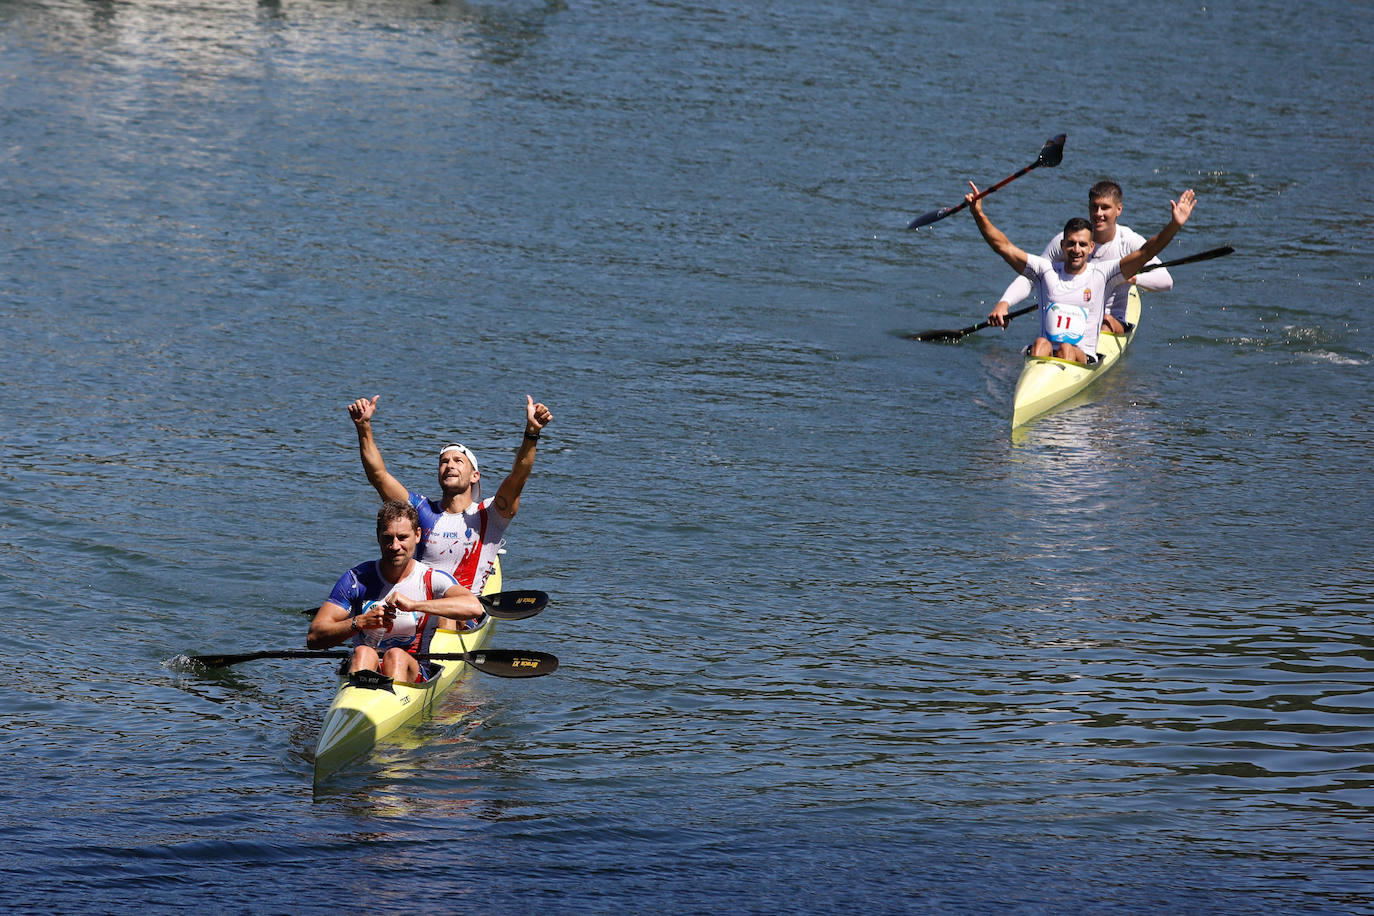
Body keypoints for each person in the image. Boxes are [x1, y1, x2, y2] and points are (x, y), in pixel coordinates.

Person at [347, 393, 553, 596]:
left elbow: (518, 477)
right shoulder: (419, 510)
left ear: (475, 476)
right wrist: (363, 427)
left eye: (458, 461)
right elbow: (378, 475)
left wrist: (532, 433)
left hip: (462, 614)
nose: (449, 465)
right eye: (444, 462)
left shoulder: (491, 515)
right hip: (417, 607)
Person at [967, 182, 1196, 365]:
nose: (1076, 250)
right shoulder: (1047, 270)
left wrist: (1174, 225)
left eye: (1082, 245)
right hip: (1046, 351)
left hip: (1084, 352)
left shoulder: (1104, 273)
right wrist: (978, 214)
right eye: (1071, 245)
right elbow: (1003, 247)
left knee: (1068, 347)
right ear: (1063, 244)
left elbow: (1148, 251)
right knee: (1041, 344)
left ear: (1091, 248)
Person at [307, 500, 485, 683]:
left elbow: (474, 608)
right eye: (387, 538)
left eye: (402, 537)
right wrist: (359, 622)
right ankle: (360, 697)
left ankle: (388, 698)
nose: (394, 546)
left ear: (417, 535)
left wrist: (414, 605)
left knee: (395, 656)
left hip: (413, 667)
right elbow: (314, 637)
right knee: (362, 652)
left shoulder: (431, 579)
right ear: (378, 537)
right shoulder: (356, 579)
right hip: (365, 663)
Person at [987, 181, 1175, 335]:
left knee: (1105, 321)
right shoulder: (1070, 242)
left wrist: (1132, 278)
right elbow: (1031, 277)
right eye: (1094, 207)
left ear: (1119, 209)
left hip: (1110, 320)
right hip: (1071, 317)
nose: (1098, 214)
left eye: (1105, 208)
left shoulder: (1129, 241)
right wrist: (1005, 303)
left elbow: (1166, 281)